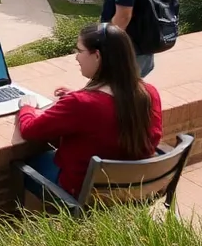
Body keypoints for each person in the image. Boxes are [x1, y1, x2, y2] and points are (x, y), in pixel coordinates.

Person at [17, 22, 163, 200]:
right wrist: (76, 96)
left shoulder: (81, 104)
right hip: (132, 189)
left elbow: (30, 130)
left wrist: (27, 106)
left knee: (26, 168)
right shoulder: (149, 93)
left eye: (80, 51)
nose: (76, 58)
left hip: (84, 193)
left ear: (97, 56)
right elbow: (113, 108)